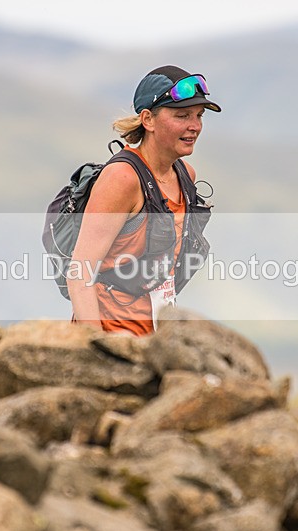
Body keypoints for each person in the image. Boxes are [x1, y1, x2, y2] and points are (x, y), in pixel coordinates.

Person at [68, 65, 221, 335]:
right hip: (113, 337)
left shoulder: (185, 175)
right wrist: (95, 347)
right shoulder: (123, 179)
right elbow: (79, 274)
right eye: (182, 115)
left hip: (156, 339)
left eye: (199, 115)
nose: (195, 126)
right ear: (148, 120)